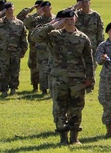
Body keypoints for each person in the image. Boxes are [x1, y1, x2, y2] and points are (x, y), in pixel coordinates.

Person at [30, 9, 95, 145]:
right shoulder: (54, 35)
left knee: (77, 107)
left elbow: (89, 60)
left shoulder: (82, 37)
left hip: (77, 78)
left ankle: (74, 137)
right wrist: (53, 24)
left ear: (76, 19)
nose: (70, 21)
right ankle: (63, 138)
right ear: (62, 21)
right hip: (59, 78)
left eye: (72, 18)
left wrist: (90, 78)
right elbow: (35, 36)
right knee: (60, 107)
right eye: (66, 19)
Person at [0, 1, 27, 96]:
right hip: (2, 51)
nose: (9, 11)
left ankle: (13, 89)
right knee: (2, 71)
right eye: (7, 9)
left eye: (11, 8)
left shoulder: (19, 24)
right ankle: (3, 90)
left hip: (15, 52)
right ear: (4, 10)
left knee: (15, 71)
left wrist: (23, 50)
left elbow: (23, 38)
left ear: (14, 9)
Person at [18, 0, 43, 91]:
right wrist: (31, 8)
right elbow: (20, 18)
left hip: (46, 47)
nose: (41, 8)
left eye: (43, 6)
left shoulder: (50, 18)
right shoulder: (32, 18)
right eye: (39, 6)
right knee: (34, 66)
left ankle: (45, 87)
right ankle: (35, 86)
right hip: (34, 46)